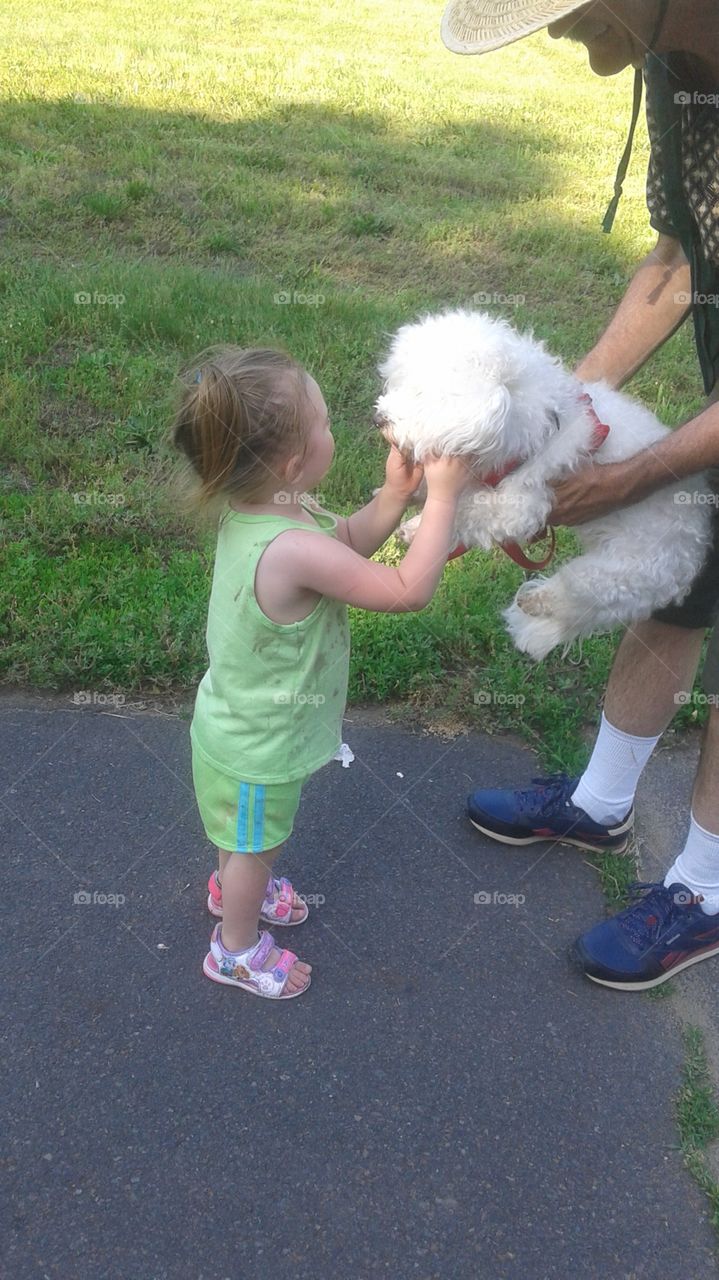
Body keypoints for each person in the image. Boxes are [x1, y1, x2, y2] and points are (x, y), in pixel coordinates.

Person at [441, 0, 719, 989]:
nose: (559, 38)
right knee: (680, 588)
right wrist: (573, 413)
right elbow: (678, 259)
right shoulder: (672, 61)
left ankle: (703, 890)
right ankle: (602, 804)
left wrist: (633, 472)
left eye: (565, 17)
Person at [171, 345, 471, 999]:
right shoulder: (292, 547)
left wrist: (396, 493)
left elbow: (350, 545)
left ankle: (233, 887)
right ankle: (235, 948)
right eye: (327, 424)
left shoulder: (272, 514)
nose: (336, 432)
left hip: (240, 727)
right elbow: (404, 589)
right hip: (257, 747)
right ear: (292, 462)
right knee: (256, 841)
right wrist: (443, 496)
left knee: (251, 837)